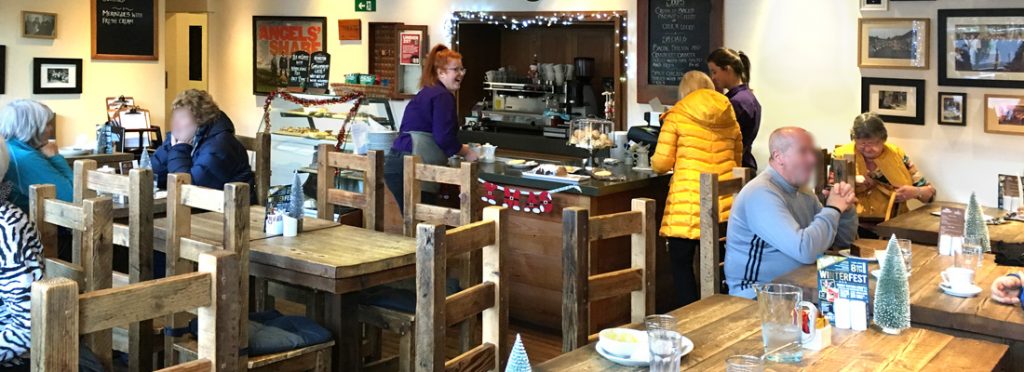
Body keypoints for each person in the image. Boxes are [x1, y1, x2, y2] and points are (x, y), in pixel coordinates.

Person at [724, 127, 858, 299]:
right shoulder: (761, 193)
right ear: (779, 157)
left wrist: (844, 210)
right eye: (803, 152)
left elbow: (842, 241)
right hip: (758, 295)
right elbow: (806, 251)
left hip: (801, 288)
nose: (812, 159)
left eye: (812, 152)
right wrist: (833, 209)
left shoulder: (802, 191)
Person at [651, 71, 743, 306]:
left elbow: (661, 164)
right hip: (723, 206)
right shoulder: (729, 114)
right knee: (719, 264)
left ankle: (689, 314)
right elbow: (737, 161)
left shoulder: (677, 115)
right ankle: (720, 312)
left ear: (684, 91)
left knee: (681, 263)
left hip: (687, 202)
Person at [384, 44, 477, 212]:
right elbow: (443, 137)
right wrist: (466, 152)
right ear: (440, 72)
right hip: (412, 167)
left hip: (397, 164)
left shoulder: (427, 92)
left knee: (416, 222)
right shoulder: (442, 96)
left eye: (462, 69)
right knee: (424, 224)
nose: (461, 74)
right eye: (455, 70)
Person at [833, 113, 935, 223]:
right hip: (852, 224)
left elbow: (930, 194)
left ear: (883, 139)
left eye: (872, 143)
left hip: (894, 223)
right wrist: (852, 180)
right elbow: (827, 191)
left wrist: (915, 191)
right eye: (862, 144)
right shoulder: (840, 155)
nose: (867, 149)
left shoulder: (897, 155)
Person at [151, 89, 254, 195]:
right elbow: (152, 175)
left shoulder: (220, 145)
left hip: (232, 206)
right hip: (202, 205)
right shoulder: (184, 139)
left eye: (182, 117)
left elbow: (190, 188)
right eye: (174, 116)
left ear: (200, 119)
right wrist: (171, 147)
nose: (175, 122)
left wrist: (180, 149)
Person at [0, 100, 72, 212]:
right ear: (32, 128)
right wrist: (56, 157)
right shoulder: (26, 158)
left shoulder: (8, 147)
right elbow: (73, 198)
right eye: (47, 124)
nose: (51, 129)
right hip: (33, 225)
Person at [708, 48, 761, 171]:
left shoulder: (735, 102)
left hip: (735, 168)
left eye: (714, 72)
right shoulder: (747, 97)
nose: (713, 77)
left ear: (727, 69)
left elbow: (723, 140)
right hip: (744, 165)